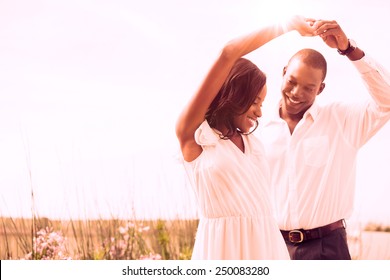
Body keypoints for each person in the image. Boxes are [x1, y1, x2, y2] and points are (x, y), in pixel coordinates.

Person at [175, 16, 314, 260]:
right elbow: (228, 53)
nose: (260, 111)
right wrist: (288, 25)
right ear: (234, 94)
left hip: (266, 247)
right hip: (221, 251)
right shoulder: (196, 138)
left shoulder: (254, 144)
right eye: (254, 102)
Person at [258, 19, 390, 259]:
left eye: (309, 87)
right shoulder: (257, 129)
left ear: (321, 88)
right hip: (272, 247)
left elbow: (387, 100)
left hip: (327, 249)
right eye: (292, 82)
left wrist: (349, 49)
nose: (296, 93)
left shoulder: (343, 121)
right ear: (284, 73)